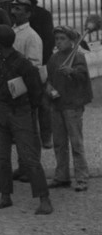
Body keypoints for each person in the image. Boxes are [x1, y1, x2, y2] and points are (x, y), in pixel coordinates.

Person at [0, 24, 53, 215]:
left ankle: (44, 198)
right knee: (1, 157)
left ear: (0, 43)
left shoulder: (23, 64)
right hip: (1, 111)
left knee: (29, 157)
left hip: (20, 112)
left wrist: (24, 110)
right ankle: (5, 195)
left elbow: (36, 93)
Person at [45, 25, 93, 192]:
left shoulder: (78, 57)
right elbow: (49, 79)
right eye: (57, 39)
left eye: (62, 39)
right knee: (59, 143)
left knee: (76, 142)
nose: (59, 42)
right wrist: (50, 89)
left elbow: (83, 75)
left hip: (72, 105)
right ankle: (61, 176)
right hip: (57, 105)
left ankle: (81, 178)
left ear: (72, 41)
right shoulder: (53, 58)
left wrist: (72, 71)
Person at [16, 0, 55, 148]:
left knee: (43, 103)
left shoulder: (44, 15)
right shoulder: (16, 16)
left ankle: (46, 137)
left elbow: (48, 41)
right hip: (22, 66)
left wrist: (41, 65)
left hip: (41, 64)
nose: (23, 0)